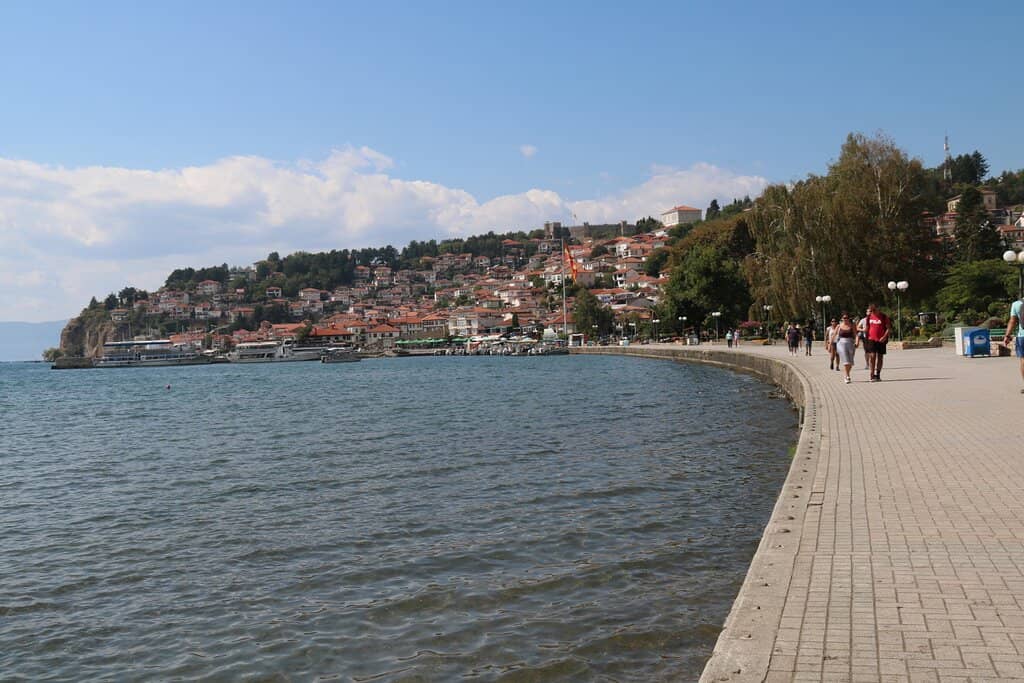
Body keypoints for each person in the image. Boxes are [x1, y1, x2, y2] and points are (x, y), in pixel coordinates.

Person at [864, 303, 892, 381]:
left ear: (877, 309)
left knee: (880, 357)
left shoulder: (884, 317)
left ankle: (878, 374)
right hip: (871, 339)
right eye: (871, 311)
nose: (872, 312)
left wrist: (884, 337)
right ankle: (872, 374)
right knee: (872, 356)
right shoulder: (869, 317)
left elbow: (888, 329)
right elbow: (867, 328)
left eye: (874, 310)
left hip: (881, 340)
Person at [1001, 297, 1024, 393]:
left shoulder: (1016, 304)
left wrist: (1007, 336)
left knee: (1023, 361)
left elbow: (1012, 321)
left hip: (1022, 337)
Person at [835, 313, 857, 383]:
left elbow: (856, 335)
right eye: (844, 318)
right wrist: (829, 344)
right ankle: (847, 376)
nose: (845, 319)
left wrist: (857, 342)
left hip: (851, 343)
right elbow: (834, 335)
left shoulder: (852, 325)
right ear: (842, 319)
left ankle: (847, 374)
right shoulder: (839, 326)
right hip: (841, 343)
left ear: (848, 318)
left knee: (850, 361)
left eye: (846, 318)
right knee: (846, 360)